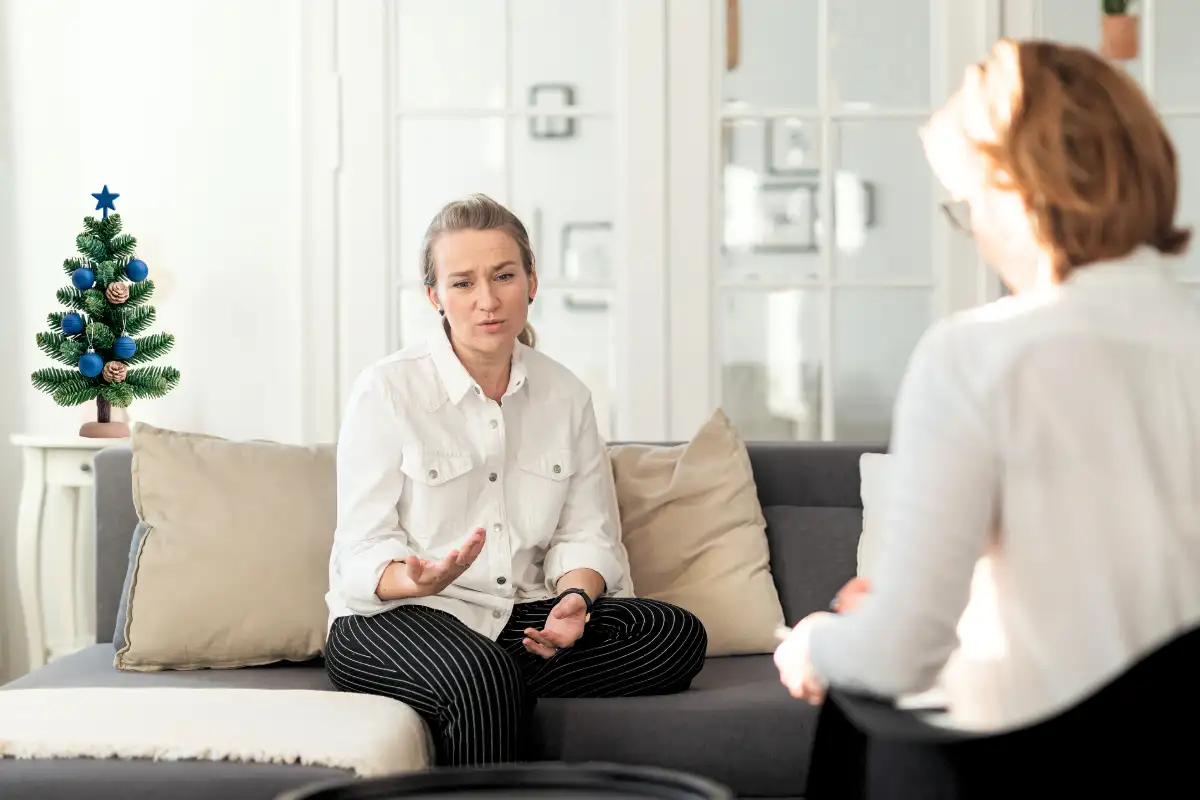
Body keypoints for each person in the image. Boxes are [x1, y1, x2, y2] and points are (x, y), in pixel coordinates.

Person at [775, 37, 1200, 738]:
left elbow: (898, 656)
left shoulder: (979, 356)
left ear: (1015, 194)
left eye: (968, 201)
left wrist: (815, 642)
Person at [323, 193, 708, 766]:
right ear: (435, 297)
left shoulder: (566, 395)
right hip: (393, 619)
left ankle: (477, 692)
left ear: (531, 281)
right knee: (483, 678)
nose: (487, 300)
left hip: (516, 618)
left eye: (504, 275)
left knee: (673, 634)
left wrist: (575, 598)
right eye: (462, 283)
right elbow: (360, 551)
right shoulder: (387, 391)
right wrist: (417, 580)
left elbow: (587, 532)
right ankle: (478, 690)